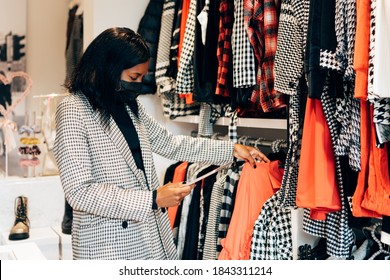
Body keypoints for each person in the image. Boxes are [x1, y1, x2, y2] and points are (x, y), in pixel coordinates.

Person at [53, 27, 269, 260]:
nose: (138, 85)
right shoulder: (74, 109)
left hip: (147, 234)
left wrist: (231, 150)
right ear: (109, 68)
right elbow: (80, 192)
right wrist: (153, 199)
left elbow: (170, 143)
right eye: (133, 78)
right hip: (107, 245)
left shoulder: (129, 105)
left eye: (142, 78)